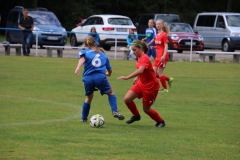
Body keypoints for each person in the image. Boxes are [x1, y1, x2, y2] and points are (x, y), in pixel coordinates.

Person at [75, 36, 125, 122]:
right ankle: (114, 111)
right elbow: (110, 69)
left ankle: (83, 118)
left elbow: (82, 59)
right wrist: (108, 74)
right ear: (95, 43)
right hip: (100, 77)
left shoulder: (84, 52)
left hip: (88, 78)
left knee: (88, 98)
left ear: (86, 44)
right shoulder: (103, 55)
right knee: (111, 93)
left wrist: (78, 67)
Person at [117, 40, 165, 127]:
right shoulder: (138, 57)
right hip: (141, 83)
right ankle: (136, 116)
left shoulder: (144, 57)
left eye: (135, 50)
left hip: (151, 86)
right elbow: (142, 70)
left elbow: (141, 70)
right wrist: (137, 77)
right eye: (132, 50)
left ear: (141, 48)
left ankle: (160, 121)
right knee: (127, 99)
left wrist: (127, 77)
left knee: (146, 109)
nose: (133, 52)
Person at [151, 19, 173, 93]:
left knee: (160, 73)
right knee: (154, 73)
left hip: (163, 57)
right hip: (157, 57)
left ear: (162, 25)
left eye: (159, 24)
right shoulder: (157, 35)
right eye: (157, 24)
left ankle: (165, 89)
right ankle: (168, 80)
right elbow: (159, 46)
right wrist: (154, 47)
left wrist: (163, 55)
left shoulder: (164, 35)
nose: (158, 25)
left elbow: (166, 46)